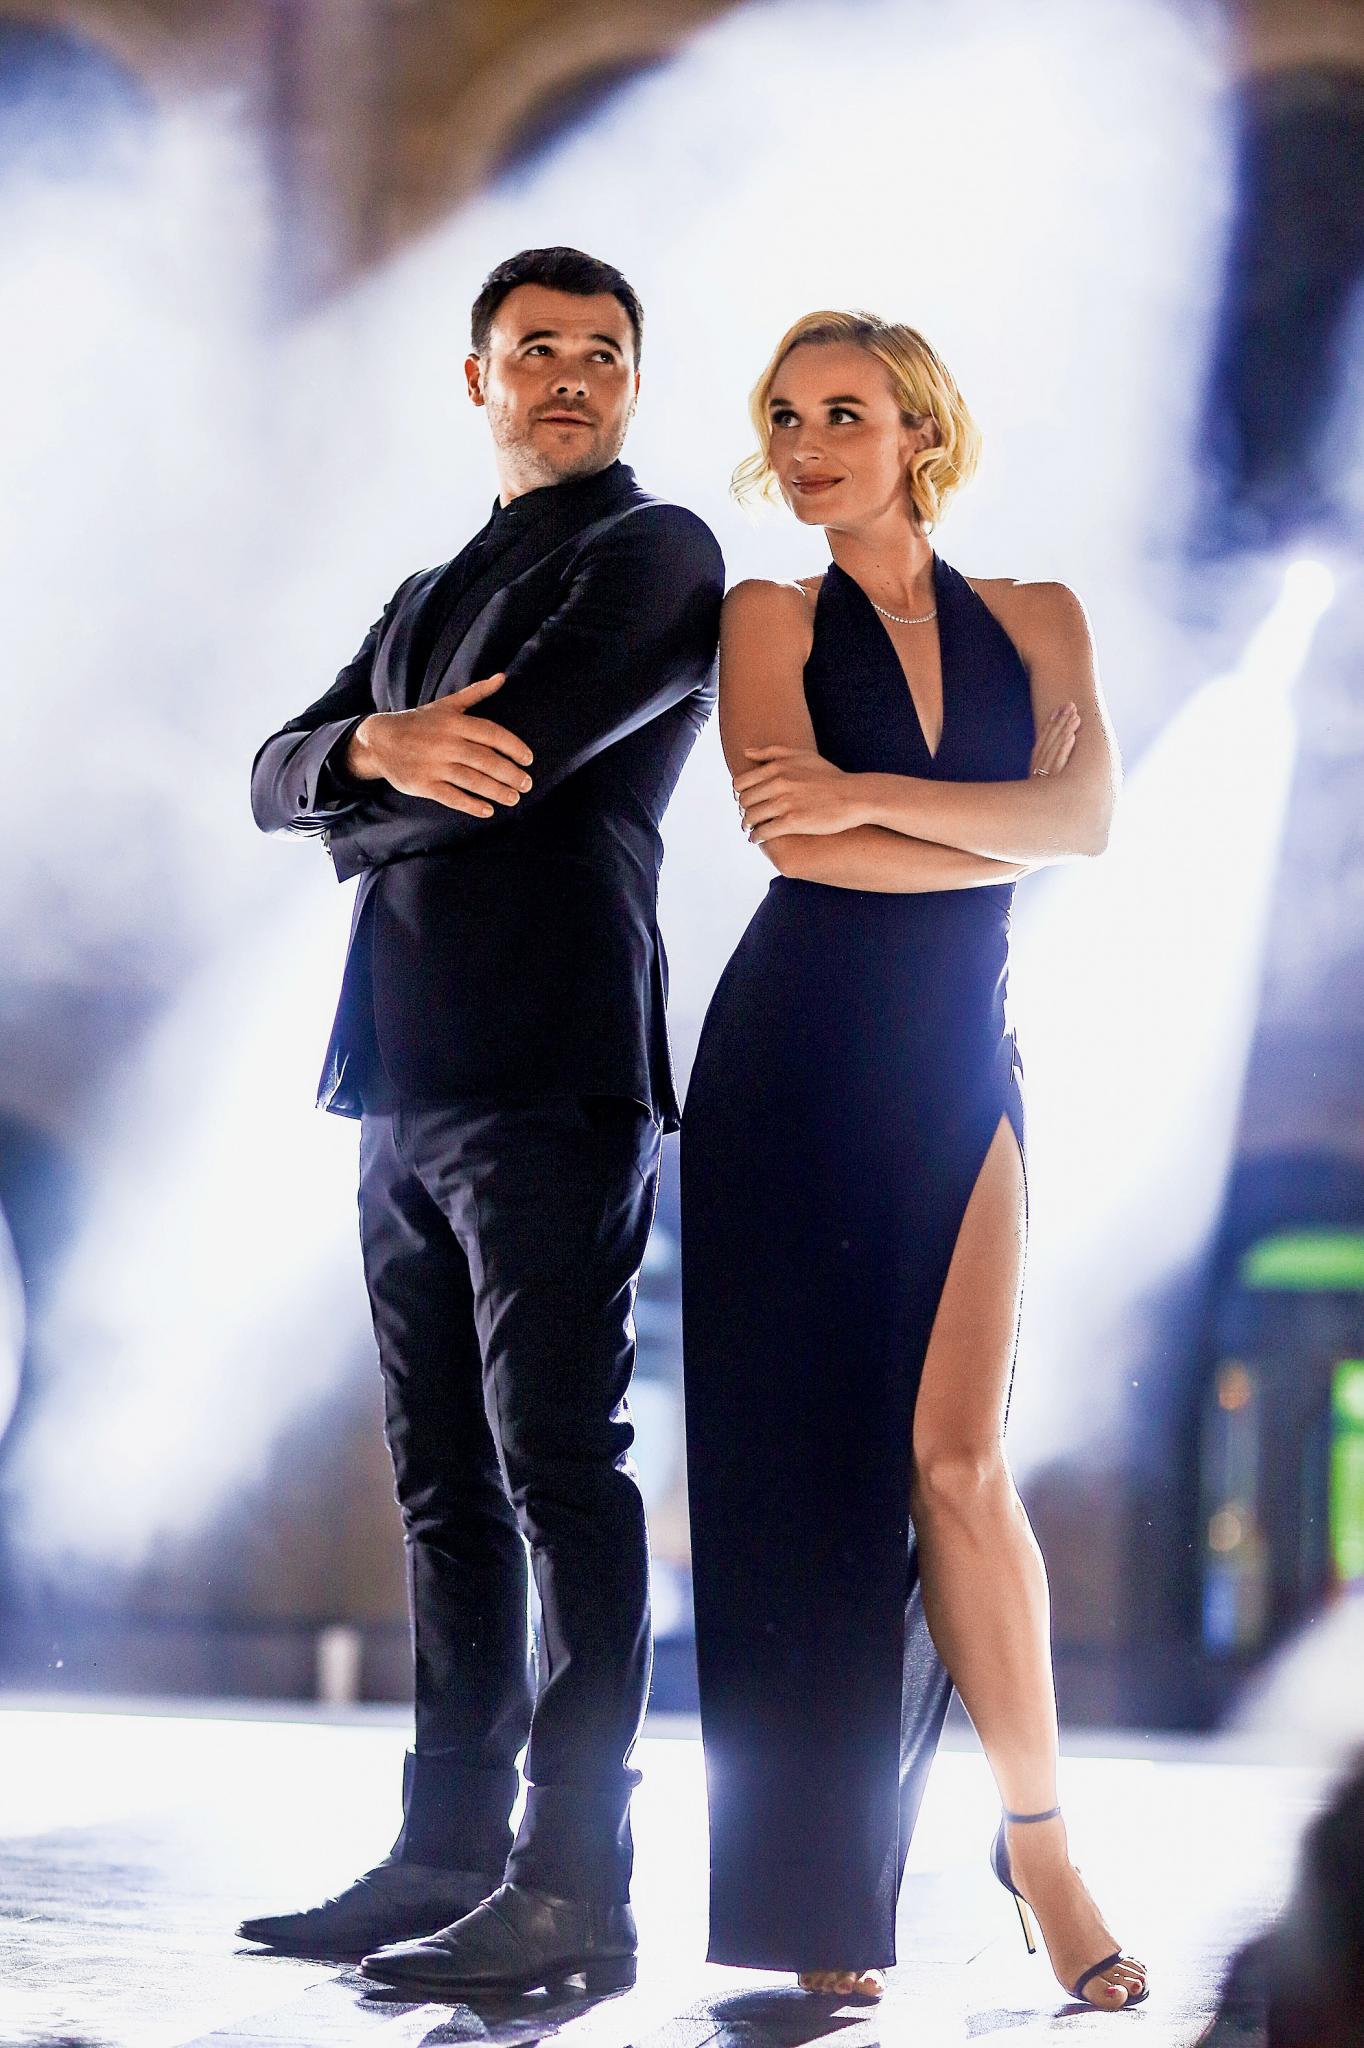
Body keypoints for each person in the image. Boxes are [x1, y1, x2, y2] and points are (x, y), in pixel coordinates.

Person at [242, 246, 724, 1997]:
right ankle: (442, 1854)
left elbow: (506, 767)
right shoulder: (426, 590)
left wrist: (357, 783)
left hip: (555, 1072)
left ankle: (576, 1883)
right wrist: (371, 750)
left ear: (634, 383)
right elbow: (272, 772)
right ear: (480, 378)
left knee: (560, 1472)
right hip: (399, 1080)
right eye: (537, 350)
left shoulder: (657, 553)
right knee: (442, 1484)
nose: (570, 375)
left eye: (602, 351)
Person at [680, 310, 1147, 2010]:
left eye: (844, 414)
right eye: (784, 417)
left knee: (959, 1463)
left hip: (959, 1061)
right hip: (789, 1065)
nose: (806, 447)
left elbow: (1090, 823)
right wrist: (993, 827)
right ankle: (820, 1889)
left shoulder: (1040, 616)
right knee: (798, 1489)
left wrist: (880, 800)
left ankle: (1043, 1850)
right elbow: (798, 844)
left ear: (920, 434)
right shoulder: (765, 616)